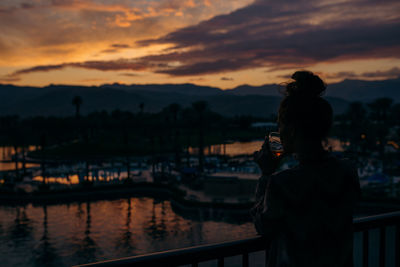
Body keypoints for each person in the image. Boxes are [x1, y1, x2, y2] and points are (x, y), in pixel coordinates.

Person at [251, 71, 360, 267]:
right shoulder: (348, 171)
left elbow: (262, 225)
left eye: (280, 124)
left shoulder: (283, 182)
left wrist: (266, 173)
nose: (279, 131)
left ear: (291, 130)